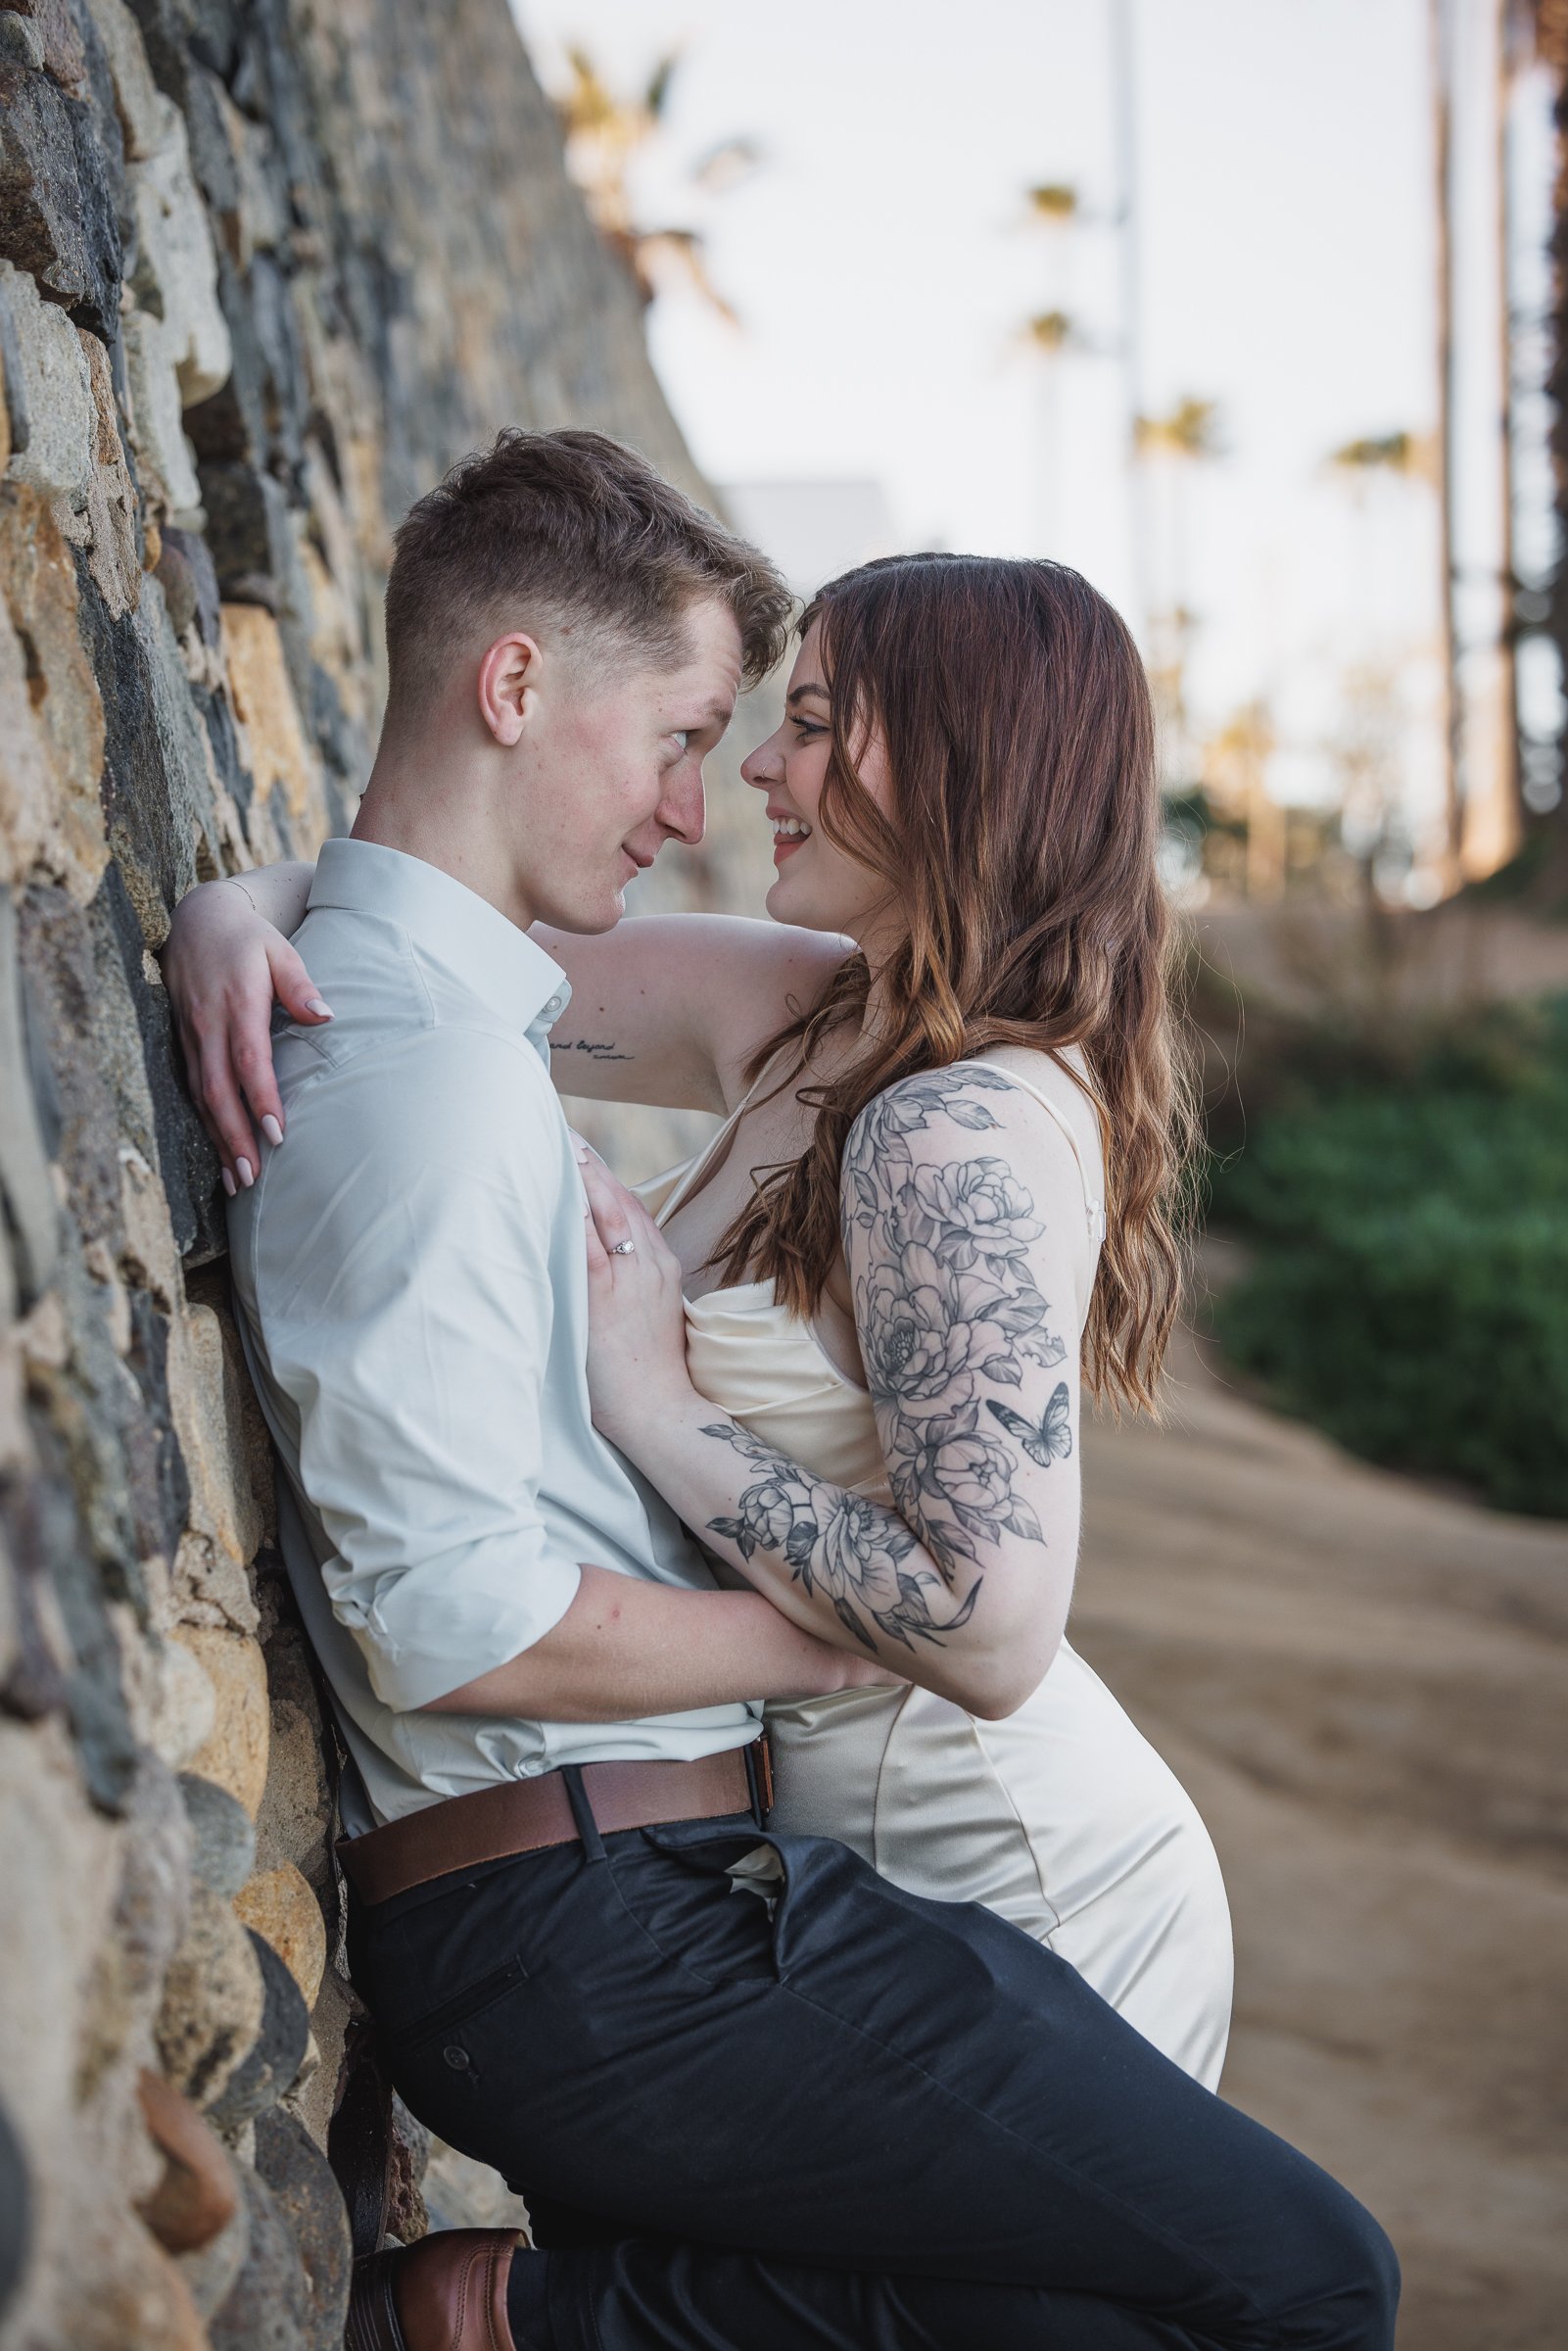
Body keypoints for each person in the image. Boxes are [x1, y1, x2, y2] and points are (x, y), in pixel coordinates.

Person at [162, 427, 1398, 2351]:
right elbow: (449, 931)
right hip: (760, 1849)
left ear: (959, 761)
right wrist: (232, 907)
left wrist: (660, 1407)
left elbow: (987, 1633)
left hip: (990, 1848)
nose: (755, 768)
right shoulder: (805, 1008)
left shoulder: (962, 1133)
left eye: (815, 721)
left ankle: (510, 2319)